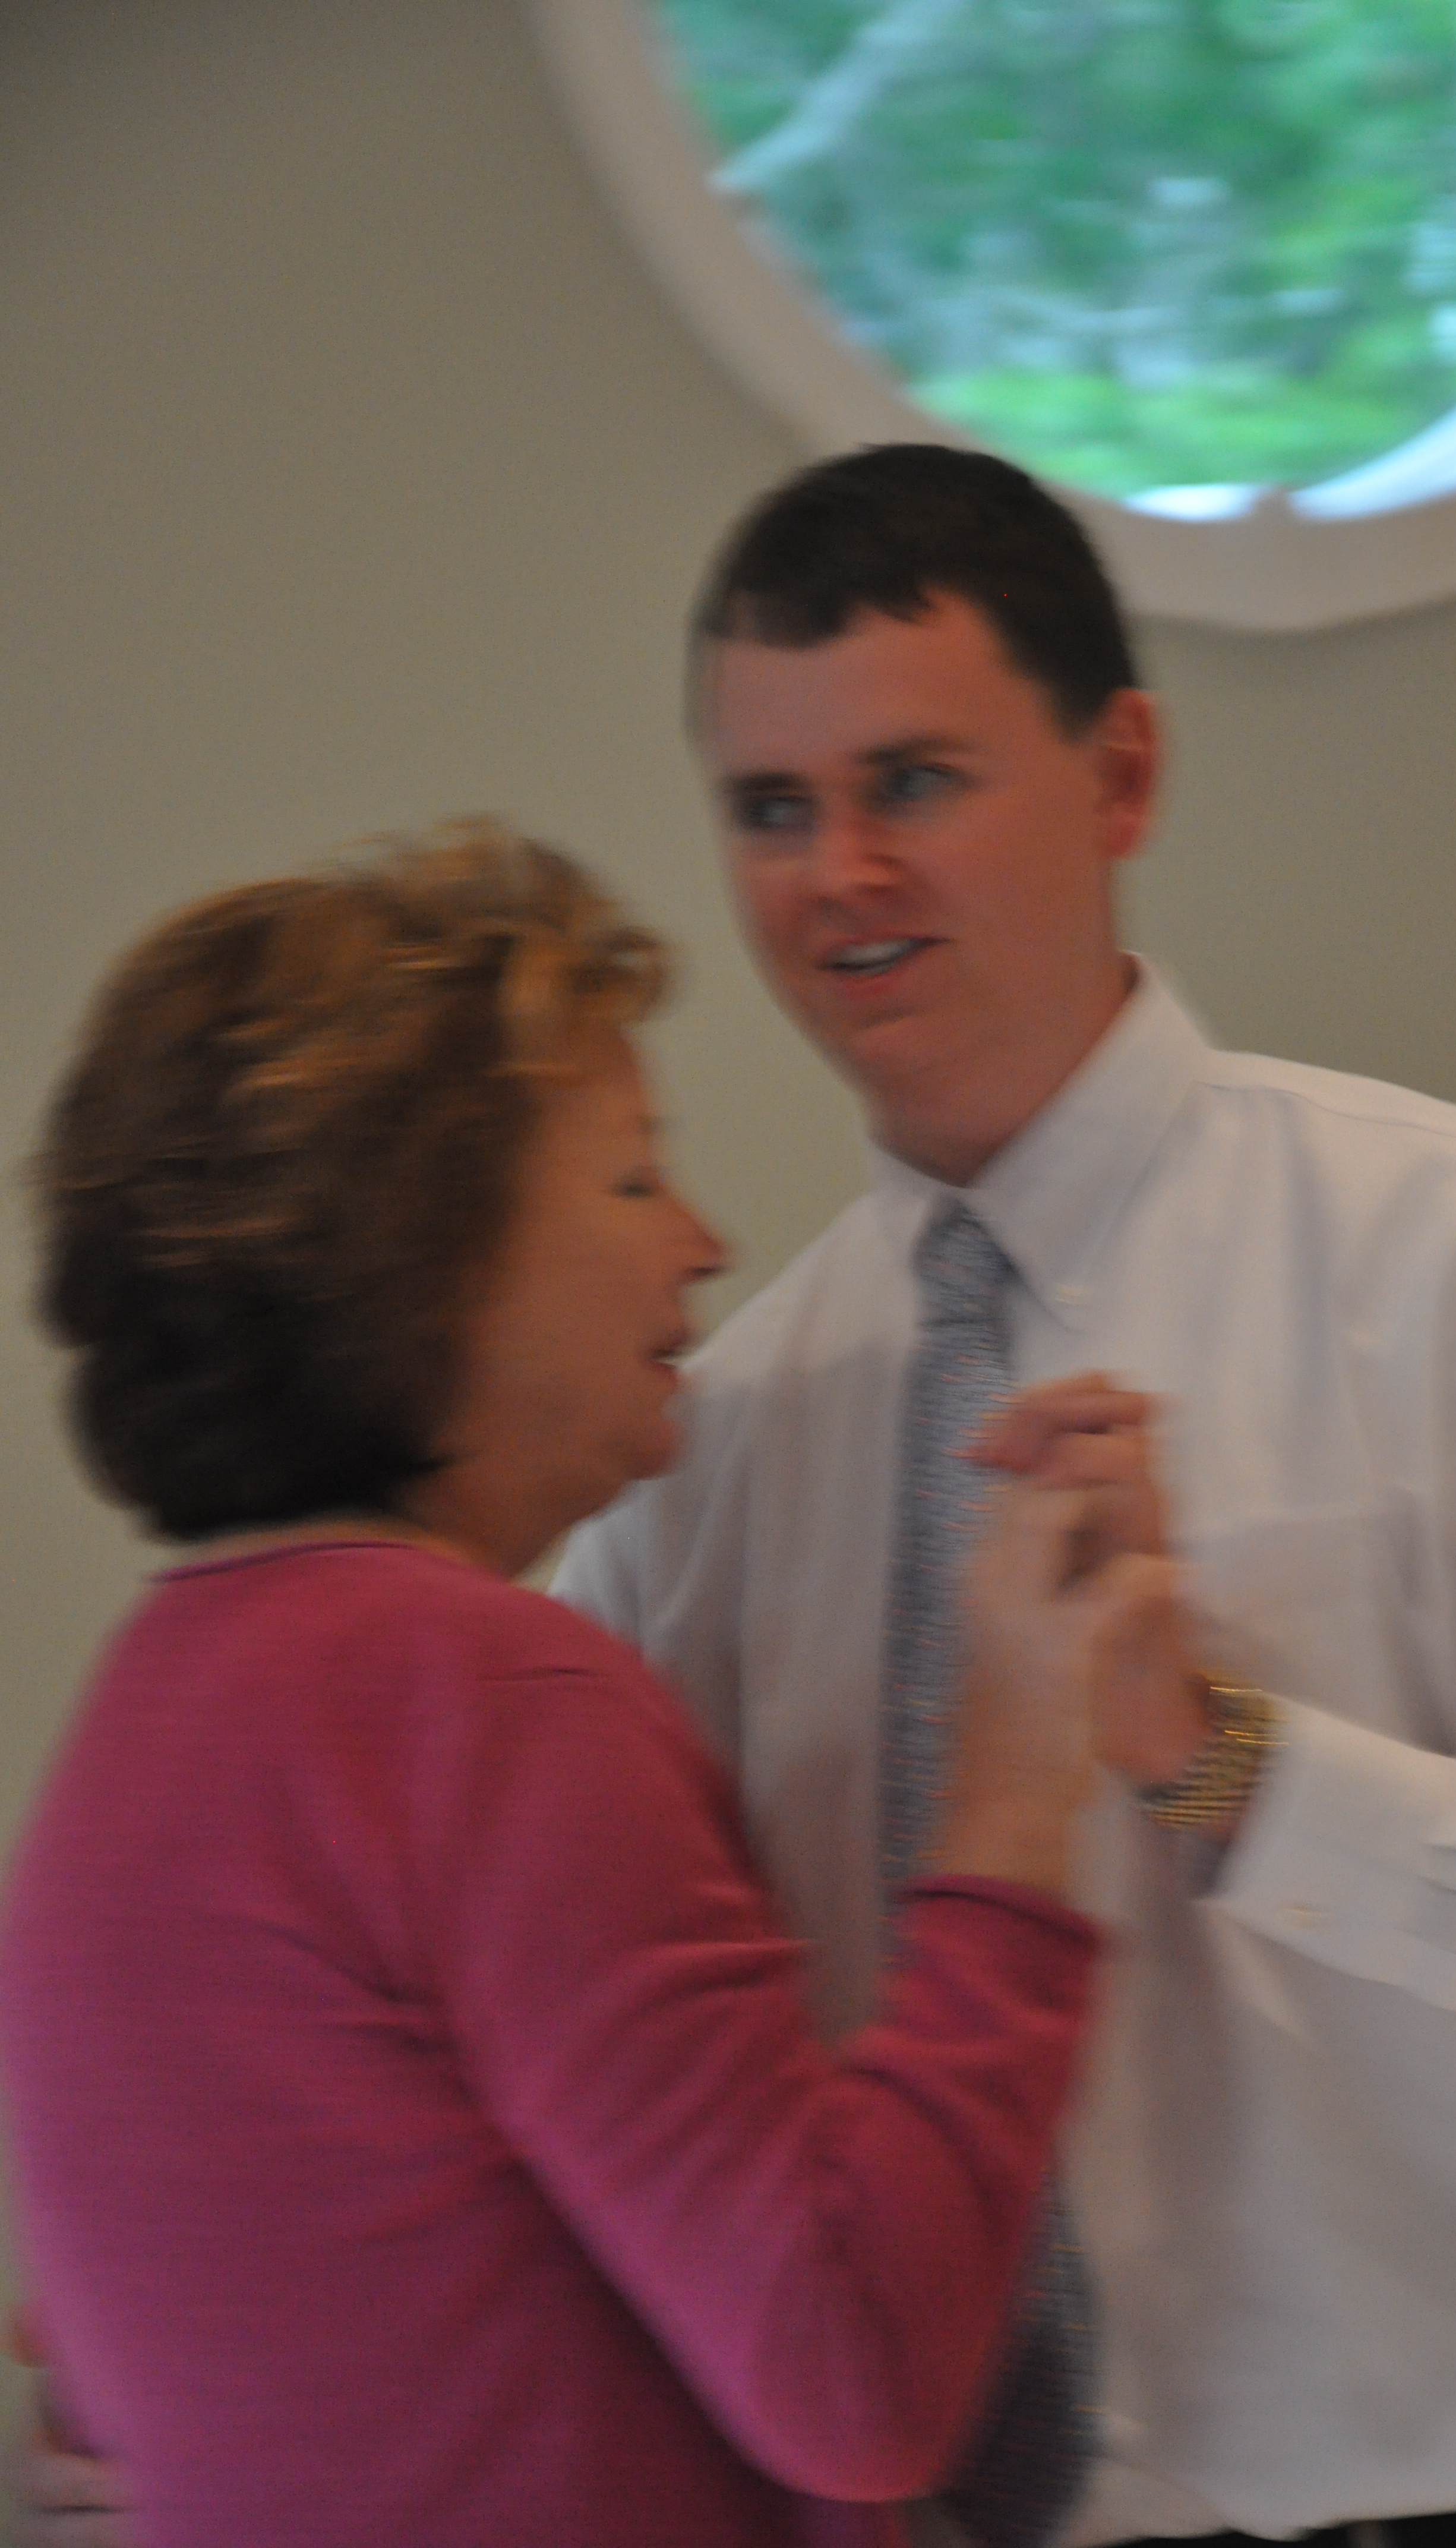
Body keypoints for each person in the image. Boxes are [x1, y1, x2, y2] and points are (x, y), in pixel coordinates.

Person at [549, 447, 1456, 2548]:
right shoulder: (710, 1458)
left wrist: (1239, 1773)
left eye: (913, 782)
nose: (837, 875)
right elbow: (582, 2064)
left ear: (1125, 775)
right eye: (771, 809)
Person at [0, 820, 1184, 2548]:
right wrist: (1012, 1786)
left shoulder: (136, 1731)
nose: (700, 1244)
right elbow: (857, 2375)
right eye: (632, 1181)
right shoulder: (482, 1701)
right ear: (436, 1253)